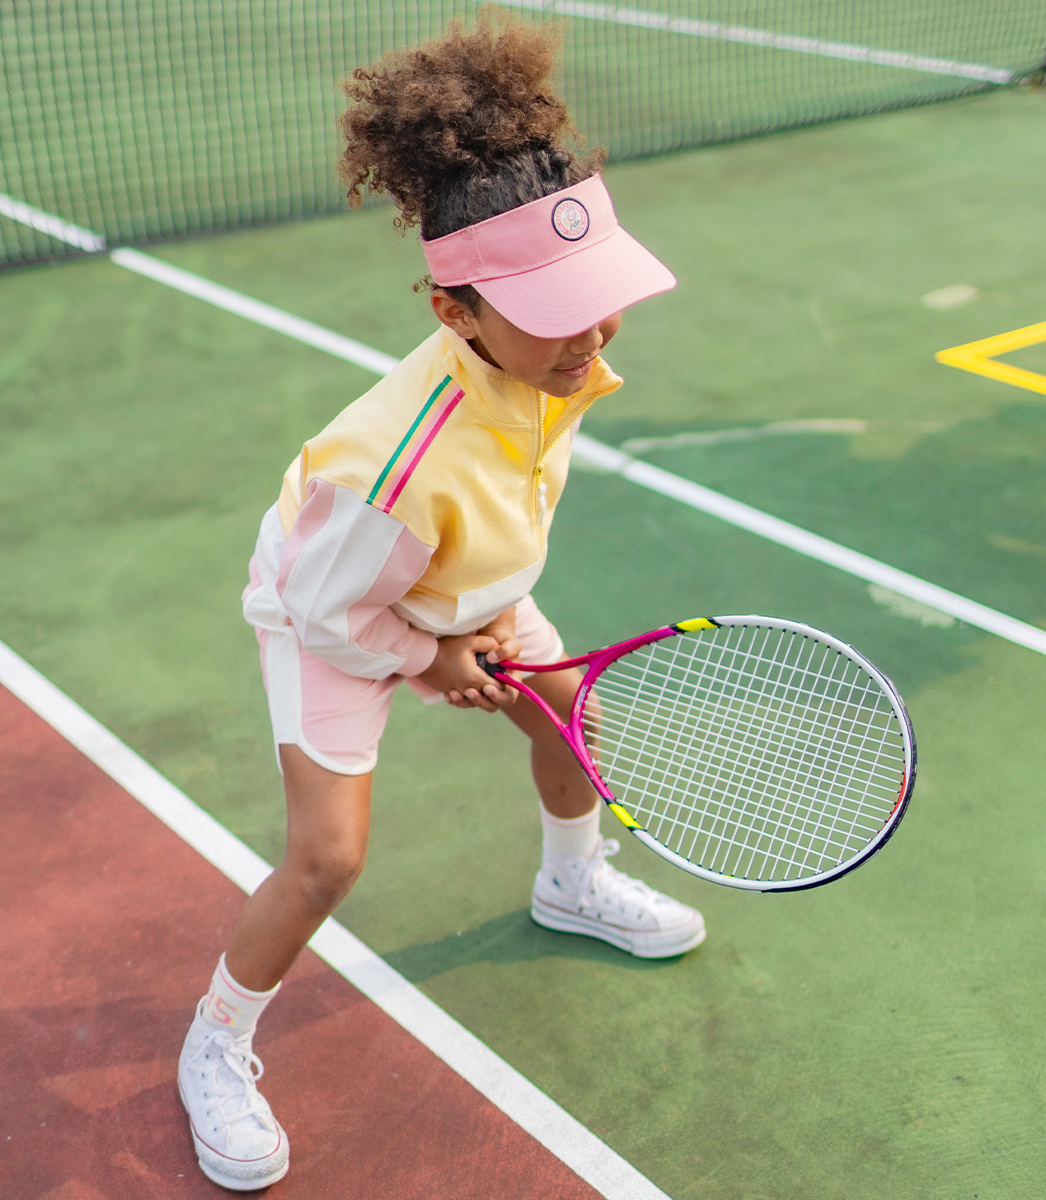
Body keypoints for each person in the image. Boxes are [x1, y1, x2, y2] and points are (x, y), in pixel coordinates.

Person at [177, 16, 705, 1191]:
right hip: (338, 608)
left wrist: (478, 624)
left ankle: (570, 880)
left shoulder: (552, 366)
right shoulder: (392, 465)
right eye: (559, 308)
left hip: (460, 589)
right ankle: (215, 1042)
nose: (593, 331)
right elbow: (328, 614)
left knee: (572, 712)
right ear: (455, 313)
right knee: (327, 860)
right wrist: (434, 654)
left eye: (601, 296)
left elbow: (504, 503)